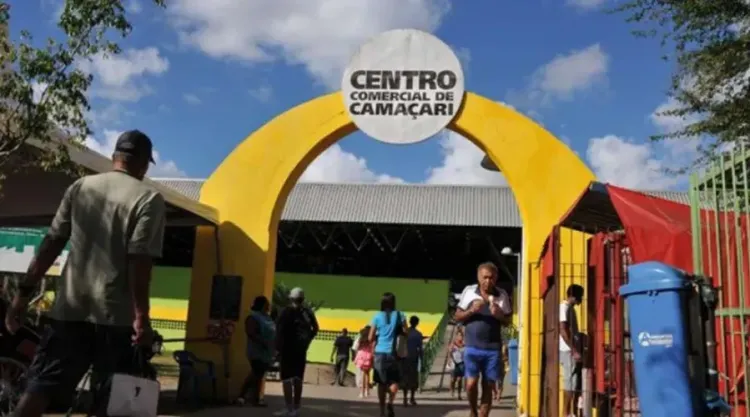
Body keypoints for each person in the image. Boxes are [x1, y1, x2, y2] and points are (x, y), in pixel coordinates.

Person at [5, 130, 165, 417]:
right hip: (116, 319)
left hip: (69, 311)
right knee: (112, 398)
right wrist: (142, 317)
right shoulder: (148, 198)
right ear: (143, 163)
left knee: (41, 386)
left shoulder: (81, 187)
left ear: (115, 157)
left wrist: (22, 294)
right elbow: (139, 260)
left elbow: (51, 243)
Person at [454, 262, 512, 417]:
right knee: (471, 384)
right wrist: (471, 310)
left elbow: (508, 321)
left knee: (488, 386)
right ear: (478, 277)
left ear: (496, 278)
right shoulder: (469, 291)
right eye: (485, 277)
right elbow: (457, 316)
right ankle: (473, 411)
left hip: (493, 349)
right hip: (472, 347)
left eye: (491, 278)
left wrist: (499, 315)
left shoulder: (502, 295)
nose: (488, 281)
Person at [275, 287, 319, 417]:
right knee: (298, 378)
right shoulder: (307, 312)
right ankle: (296, 408)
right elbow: (315, 328)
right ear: (302, 299)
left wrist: (277, 348)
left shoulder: (286, 312)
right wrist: (307, 341)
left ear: (291, 298)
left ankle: (289, 408)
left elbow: (279, 331)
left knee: (287, 379)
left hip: (287, 350)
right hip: (301, 350)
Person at [368, 292, 407, 417]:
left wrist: (379, 336)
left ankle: (382, 411)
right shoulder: (400, 315)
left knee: (381, 383)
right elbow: (406, 332)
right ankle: (390, 402)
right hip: (394, 353)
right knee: (394, 381)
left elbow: (370, 337)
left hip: (380, 353)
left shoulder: (377, 316)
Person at [238, 295, 276, 407]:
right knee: (257, 373)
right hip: (256, 351)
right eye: (266, 304)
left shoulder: (267, 317)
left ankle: (246, 397)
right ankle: (250, 398)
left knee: (257, 374)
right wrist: (262, 342)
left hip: (267, 351)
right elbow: (251, 333)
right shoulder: (253, 317)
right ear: (261, 305)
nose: (268, 306)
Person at [561, 284, 584, 417]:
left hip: (571, 350)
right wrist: (574, 349)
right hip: (567, 350)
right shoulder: (563, 308)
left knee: (573, 382)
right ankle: (565, 413)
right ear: (574, 297)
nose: (581, 300)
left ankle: (570, 412)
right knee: (569, 382)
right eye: (580, 297)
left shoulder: (570, 309)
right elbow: (563, 331)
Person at [401, 315, 423, 407]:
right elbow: (420, 348)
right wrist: (422, 359)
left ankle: (405, 398)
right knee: (413, 378)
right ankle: (412, 398)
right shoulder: (418, 334)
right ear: (417, 323)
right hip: (414, 357)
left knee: (405, 378)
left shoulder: (405, 333)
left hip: (404, 357)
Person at [354, 326, 374, 398]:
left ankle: (362, 392)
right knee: (367, 374)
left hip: (361, 356)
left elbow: (356, 347)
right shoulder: (371, 339)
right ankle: (367, 391)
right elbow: (373, 348)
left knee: (362, 374)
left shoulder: (360, 339)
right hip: (368, 356)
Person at [449, 326, 466, 400]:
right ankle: (452, 390)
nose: (460, 337)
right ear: (456, 336)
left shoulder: (464, 344)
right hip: (454, 362)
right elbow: (449, 352)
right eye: (459, 335)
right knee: (453, 379)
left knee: (459, 380)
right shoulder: (453, 344)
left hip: (461, 363)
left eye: (461, 336)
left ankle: (459, 394)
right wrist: (450, 360)